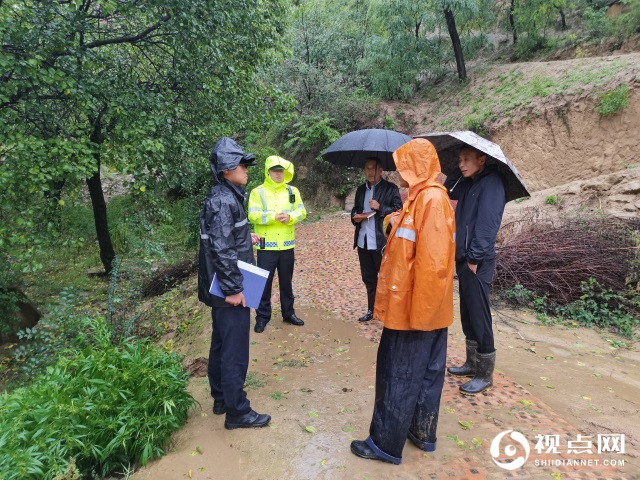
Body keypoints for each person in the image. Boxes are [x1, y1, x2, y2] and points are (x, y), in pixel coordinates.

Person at [350, 138, 456, 465]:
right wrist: (392, 220)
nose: (398, 173)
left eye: (404, 165)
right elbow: (408, 236)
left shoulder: (431, 200)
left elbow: (434, 264)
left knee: (399, 373)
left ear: (417, 166)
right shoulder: (420, 198)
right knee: (424, 373)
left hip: (415, 311)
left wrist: (419, 316)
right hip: (420, 309)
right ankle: (420, 431)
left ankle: (384, 443)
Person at [198, 137, 271, 429]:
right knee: (234, 350)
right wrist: (234, 289)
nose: (246, 168)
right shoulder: (223, 200)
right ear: (226, 169)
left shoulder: (225, 196)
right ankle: (237, 412)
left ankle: (221, 397)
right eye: (240, 164)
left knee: (221, 343)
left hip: (223, 284)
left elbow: (225, 240)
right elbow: (222, 250)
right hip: (228, 288)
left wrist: (246, 237)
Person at [444, 145, 506, 395]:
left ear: (482, 160)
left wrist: (474, 258)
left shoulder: (492, 183)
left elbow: (488, 225)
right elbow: (450, 190)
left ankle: (484, 374)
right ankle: (472, 363)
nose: (461, 164)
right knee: (468, 314)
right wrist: (458, 171)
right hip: (465, 258)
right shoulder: (469, 183)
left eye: (467, 159)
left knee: (480, 316)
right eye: (460, 160)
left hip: (476, 262)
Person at [248, 155, 307, 333]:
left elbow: (301, 211)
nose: (279, 174)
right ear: (268, 172)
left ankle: (288, 313)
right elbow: (253, 215)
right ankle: (262, 317)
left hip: (287, 245)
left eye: (281, 171)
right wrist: (274, 217)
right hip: (266, 246)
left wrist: (291, 217)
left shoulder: (292, 191)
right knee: (263, 284)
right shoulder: (257, 192)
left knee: (286, 283)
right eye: (275, 171)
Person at [351, 159, 402, 322]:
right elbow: (355, 210)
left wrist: (380, 208)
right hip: (363, 241)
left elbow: (398, 212)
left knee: (387, 278)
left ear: (381, 170)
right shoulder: (360, 190)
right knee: (369, 278)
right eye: (367, 168)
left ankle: (390, 311)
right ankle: (371, 310)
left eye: (373, 168)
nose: (370, 171)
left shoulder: (391, 189)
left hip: (381, 242)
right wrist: (355, 218)